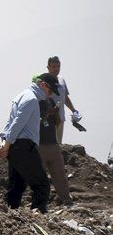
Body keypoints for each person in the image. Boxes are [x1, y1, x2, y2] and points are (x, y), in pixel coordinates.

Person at [0, 73, 60, 213]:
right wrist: (6, 146)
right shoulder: (31, 99)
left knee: (17, 185)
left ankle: (9, 216)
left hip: (15, 147)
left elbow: (10, 122)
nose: (50, 94)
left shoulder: (23, 95)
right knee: (42, 185)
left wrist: (5, 144)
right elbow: (17, 123)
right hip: (24, 147)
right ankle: (38, 217)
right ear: (43, 85)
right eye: (50, 90)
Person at [35, 75, 73, 205]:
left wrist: (55, 112)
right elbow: (34, 121)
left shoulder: (50, 101)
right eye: (50, 90)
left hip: (53, 143)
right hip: (39, 145)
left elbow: (56, 123)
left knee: (60, 174)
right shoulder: (33, 102)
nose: (51, 94)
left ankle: (66, 199)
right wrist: (47, 114)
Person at [46, 56, 80, 144]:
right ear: (48, 67)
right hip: (48, 119)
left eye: (58, 66)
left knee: (58, 145)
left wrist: (74, 110)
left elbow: (64, 97)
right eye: (53, 66)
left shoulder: (62, 80)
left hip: (60, 118)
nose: (56, 69)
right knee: (47, 145)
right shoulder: (43, 80)